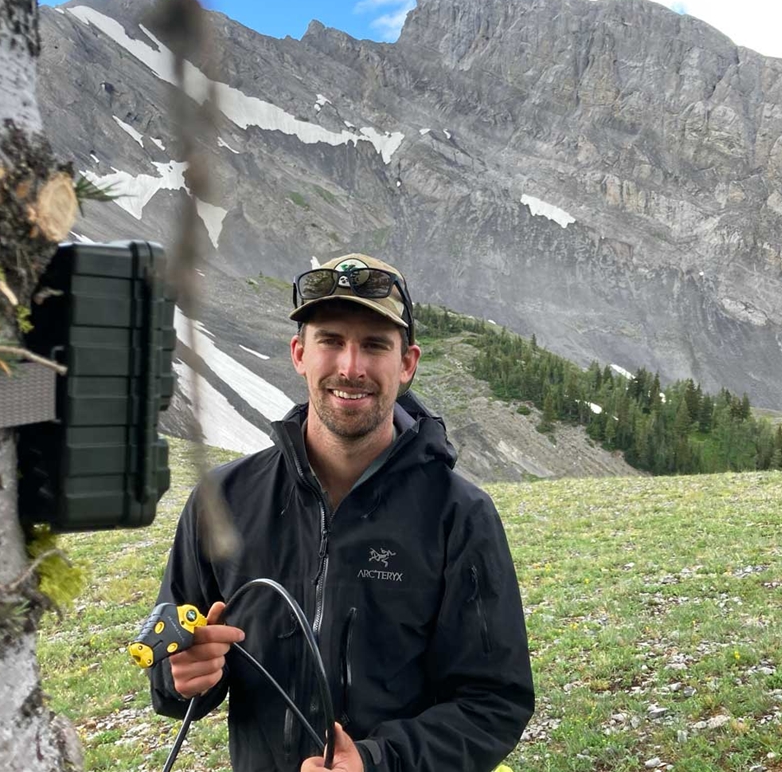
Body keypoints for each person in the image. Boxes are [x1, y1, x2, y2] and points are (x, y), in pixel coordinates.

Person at [148, 254, 535, 772]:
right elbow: (174, 652)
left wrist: (378, 763)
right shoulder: (222, 499)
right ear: (299, 354)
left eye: (374, 344)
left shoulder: (460, 515)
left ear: (407, 364)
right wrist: (178, 675)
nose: (350, 367)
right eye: (330, 340)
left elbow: (495, 703)